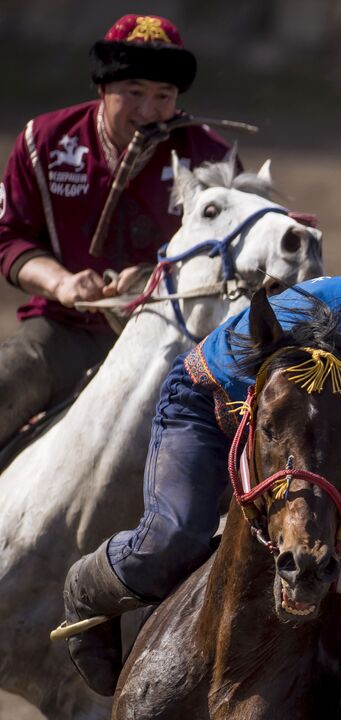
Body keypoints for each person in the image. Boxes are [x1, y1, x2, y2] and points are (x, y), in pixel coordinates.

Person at [61, 229, 341, 697]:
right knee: (175, 541)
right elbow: (283, 437)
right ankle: (87, 588)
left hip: (324, 439)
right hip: (216, 408)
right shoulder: (306, 318)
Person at [0, 13, 235, 448]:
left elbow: (231, 261)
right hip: (65, 330)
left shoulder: (210, 157)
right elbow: (10, 236)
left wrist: (156, 277)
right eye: (134, 92)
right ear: (102, 89)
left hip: (171, 342)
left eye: (164, 95)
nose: (148, 110)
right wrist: (62, 283)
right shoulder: (45, 142)